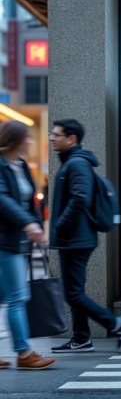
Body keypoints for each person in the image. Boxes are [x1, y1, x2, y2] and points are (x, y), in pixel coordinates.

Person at [49, 119, 121, 353]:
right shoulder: (73, 162)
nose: (52, 138)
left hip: (76, 238)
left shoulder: (76, 164)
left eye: (56, 134)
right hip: (75, 238)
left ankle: (117, 323)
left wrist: (59, 226)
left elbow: (80, 199)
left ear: (72, 138)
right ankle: (81, 337)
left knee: (73, 293)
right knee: (75, 291)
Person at [0, 120, 56, 370]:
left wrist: (36, 224)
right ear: (16, 140)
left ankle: (23, 352)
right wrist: (28, 224)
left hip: (18, 240)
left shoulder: (20, 165)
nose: (31, 142)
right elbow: (3, 199)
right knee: (17, 297)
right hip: (4, 241)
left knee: (6, 296)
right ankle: (24, 354)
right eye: (27, 138)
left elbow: (29, 202)